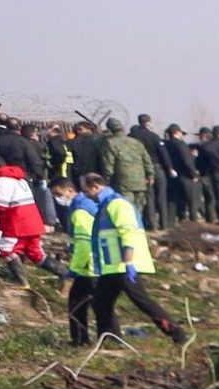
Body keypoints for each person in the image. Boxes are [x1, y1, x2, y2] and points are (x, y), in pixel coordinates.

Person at [84, 172, 180, 340]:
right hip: (112, 267)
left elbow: (129, 233)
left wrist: (128, 262)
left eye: (87, 191)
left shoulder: (117, 204)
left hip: (124, 265)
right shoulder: (104, 206)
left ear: (95, 187)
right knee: (101, 303)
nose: (86, 196)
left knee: (142, 301)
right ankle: (110, 339)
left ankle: (176, 333)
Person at [54, 177, 97, 344]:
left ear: (70, 190)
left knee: (81, 304)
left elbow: (84, 244)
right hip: (92, 265)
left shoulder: (79, 211)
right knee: (92, 305)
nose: (57, 198)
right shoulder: (83, 205)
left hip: (88, 266)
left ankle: (81, 339)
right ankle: (82, 339)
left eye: (59, 193)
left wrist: (73, 271)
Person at [0, 159, 47, 268]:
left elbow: (0, 205)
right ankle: (65, 275)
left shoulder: (2, 180)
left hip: (17, 222)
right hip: (32, 220)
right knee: (35, 252)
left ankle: (21, 282)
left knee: (5, 248)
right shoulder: (20, 179)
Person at [101, 119, 155, 239]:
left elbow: (109, 164)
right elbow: (146, 160)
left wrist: (107, 180)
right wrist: (150, 175)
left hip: (123, 180)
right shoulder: (136, 142)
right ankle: (139, 231)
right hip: (140, 180)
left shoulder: (111, 143)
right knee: (139, 208)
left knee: (127, 208)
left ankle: (131, 234)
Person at [129, 114, 169, 227]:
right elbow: (163, 154)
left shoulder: (132, 136)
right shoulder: (154, 136)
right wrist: (169, 168)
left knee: (149, 197)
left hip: (140, 169)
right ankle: (164, 223)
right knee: (161, 196)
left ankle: (152, 224)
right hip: (156, 167)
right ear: (148, 122)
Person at [163, 125, 199, 227]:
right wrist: (193, 173)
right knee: (191, 200)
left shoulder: (166, 144)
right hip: (185, 175)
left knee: (173, 201)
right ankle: (193, 222)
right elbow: (186, 160)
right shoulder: (181, 144)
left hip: (172, 176)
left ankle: (170, 223)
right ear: (177, 133)